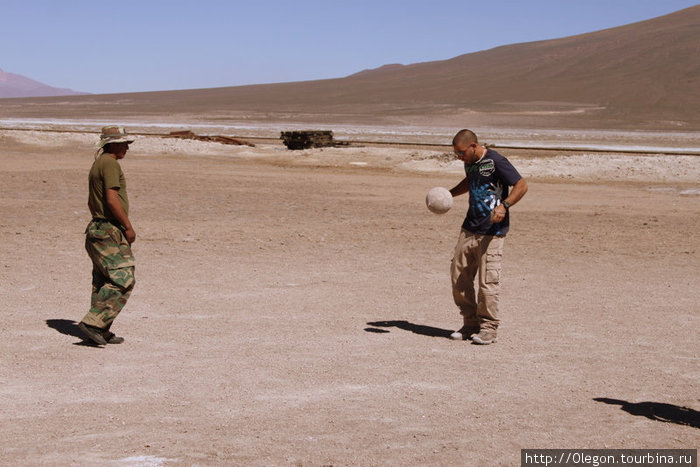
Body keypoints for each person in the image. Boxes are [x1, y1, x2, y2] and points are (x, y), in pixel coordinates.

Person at [448, 129, 528, 345]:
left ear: (473, 146)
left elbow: (521, 185)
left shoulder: (496, 161)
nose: (459, 157)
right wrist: (449, 194)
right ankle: (470, 323)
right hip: (469, 227)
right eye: (457, 154)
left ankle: (488, 329)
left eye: (461, 152)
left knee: (487, 283)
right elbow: (469, 181)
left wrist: (505, 205)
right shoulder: (470, 162)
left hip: (492, 231)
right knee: (459, 277)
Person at [78, 126, 137, 345]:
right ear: (111, 144)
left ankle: (100, 329)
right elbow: (111, 199)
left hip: (97, 228)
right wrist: (127, 227)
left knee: (103, 281)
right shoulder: (110, 164)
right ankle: (94, 323)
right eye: (124, 143)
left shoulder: (98, 164)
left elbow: (91, 201)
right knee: (124, 278)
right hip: (109, 230)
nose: (127, 148)